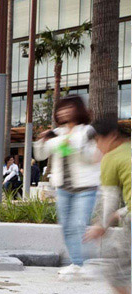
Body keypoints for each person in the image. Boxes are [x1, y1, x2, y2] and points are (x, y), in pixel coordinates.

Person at [34, 95, 100, 276]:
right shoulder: (57, 133)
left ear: (78, 110)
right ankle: (77, 264)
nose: (64, 112)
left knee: (78, 224)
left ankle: (83, 263)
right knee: (66, 227)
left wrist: (73, 146)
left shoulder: (87, 131)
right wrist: (41, 141)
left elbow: (93, 158)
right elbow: (40, 155)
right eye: (61, 108)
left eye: (68, 108)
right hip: (63, 188)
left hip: (85, 187)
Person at [83, 119, 131, 294]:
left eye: (98, 142)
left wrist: (101, 225)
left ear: (111, 137)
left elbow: (110, 198)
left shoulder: (111, 157)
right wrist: (119, 214)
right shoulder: (128, 151)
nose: (97, 148)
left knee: (115, 273)